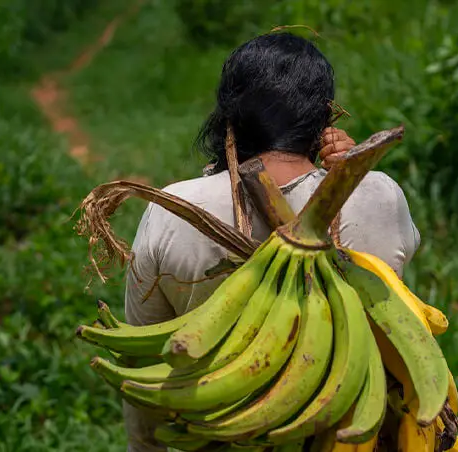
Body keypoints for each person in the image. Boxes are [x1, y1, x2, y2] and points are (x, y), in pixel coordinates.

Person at [123, 32, 420, 452]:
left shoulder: (174, 209)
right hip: (356, 437)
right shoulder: (380, 196)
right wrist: (345, 176)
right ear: (325, 120)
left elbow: (144, 365)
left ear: (228, 115)